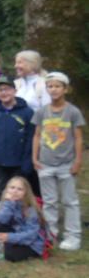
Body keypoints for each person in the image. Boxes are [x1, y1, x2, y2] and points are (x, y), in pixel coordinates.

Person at [31, 72, 83, 251]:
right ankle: (50, 233)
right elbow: (37, 135)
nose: (53, 89)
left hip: (66, 164)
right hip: (45, 164)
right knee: (49, 201)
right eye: (50, 86)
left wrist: (77, 161)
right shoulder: (42, 111)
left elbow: (77, 138)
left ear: (65, 89)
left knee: (70, 201)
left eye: (57, 86)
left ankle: (73, 236)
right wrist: (34, 158)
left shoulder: (72, 112)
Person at [0, 76, 36, 206]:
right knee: (0, 190)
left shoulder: (27, 112)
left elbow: (31, 139)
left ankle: (19, 218)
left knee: (19, 191)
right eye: (0, 90)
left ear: (15, 91)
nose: (3, 93)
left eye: (7, 89)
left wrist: (27, 162)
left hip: (19, 162)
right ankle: (2, 218)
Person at [0, 176, 45, 262]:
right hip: (17, 233)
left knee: (9, 255)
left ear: (26, 193)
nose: (15, 191)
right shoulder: (5, 203)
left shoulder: (31, 210)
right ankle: (8, 246)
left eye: (20, 189)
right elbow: (1, 220)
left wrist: (9, 237)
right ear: (6, 189)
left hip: (32, 242)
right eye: (12, 187)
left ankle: (12, 248)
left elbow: (31, 235)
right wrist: (9, 204)